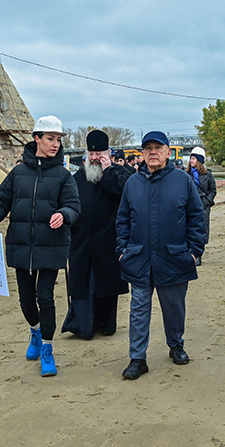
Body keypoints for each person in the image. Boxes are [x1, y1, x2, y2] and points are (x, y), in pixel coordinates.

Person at [0, 115, 80, 377]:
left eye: (58, 139)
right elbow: (1, 200)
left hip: (52, 246)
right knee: (26, 299)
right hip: (21, 244)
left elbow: (74, 206)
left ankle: (47, 347)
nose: (55, 144)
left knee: (45, 297)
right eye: (50, 138)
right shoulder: (18, 173)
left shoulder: (63, 175)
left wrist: (65, 214)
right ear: (37, 139)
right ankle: (35, 331)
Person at [116, 131, 205, 380]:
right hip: (139, 258)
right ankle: (137, 358)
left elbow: (196, 218)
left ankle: (176, 345)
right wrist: (122, 251)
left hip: (174, 257)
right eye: (148, 148)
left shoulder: (182, 180)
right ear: (142, 153)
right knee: (139, 309)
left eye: (158, 147)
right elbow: (122, 220)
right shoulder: (132, 183)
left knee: (174, 307)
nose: (153, 152)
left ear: (168, 152)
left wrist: (194, 251)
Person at [63, 130, 131, 339]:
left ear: (108, 153)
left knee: (105, 287)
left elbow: (125, 191)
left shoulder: (119, 174)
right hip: (81, 243)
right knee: (84, 287)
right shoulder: (75, 179)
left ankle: (106, 324)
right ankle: (83, 327)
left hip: (108, 242)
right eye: (91, 154)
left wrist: (108, 169)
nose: (94, 158)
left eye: (99, 153)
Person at [187, 147, 216, 266]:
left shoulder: (208, 174)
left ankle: (199, 254)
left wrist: (208, 201)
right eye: (190, 158)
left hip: (203, 205)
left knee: (202, 229)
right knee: (189, 228)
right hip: (189, 205)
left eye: (193, 158)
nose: (191, 161)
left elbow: (213, 190)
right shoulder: (186, 174)